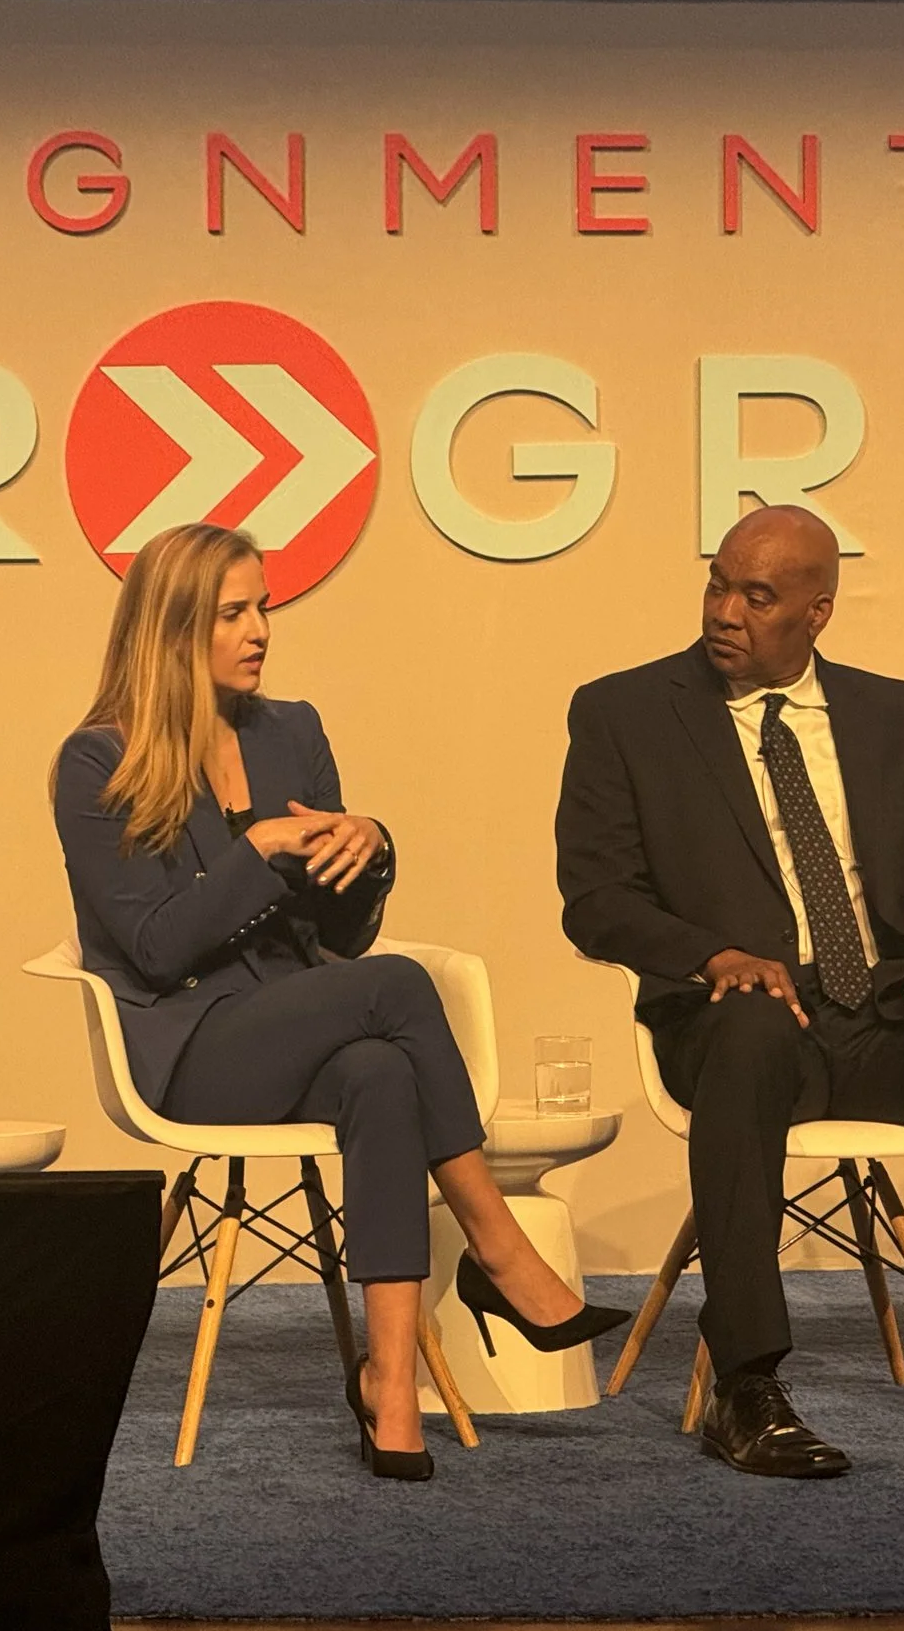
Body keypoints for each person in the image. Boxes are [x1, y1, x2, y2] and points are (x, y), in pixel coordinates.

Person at [53, 523, 626, 1480]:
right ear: (175, 627)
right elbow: (152, 952)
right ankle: (498, 1246)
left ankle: (390, 1389)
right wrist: (259, 850)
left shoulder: (293, 732)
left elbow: (345, 937)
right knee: (399, 991)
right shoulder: (96, 762)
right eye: (234, 611)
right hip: (194, 1048)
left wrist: (371, 844)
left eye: (263, 606)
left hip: (303, 1021)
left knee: (379, 1068)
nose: (260, 630)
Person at [556, 505, 904, 1477]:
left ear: (816, 612)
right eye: (718, 583)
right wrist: (710, 956)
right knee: (751, 1035)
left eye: (756, 595)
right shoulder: (625, 713)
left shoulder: (901, 715)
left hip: (888, 1014)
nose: (725, 610)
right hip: (736, 1022)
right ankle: (749, 1387)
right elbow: (597, 902)